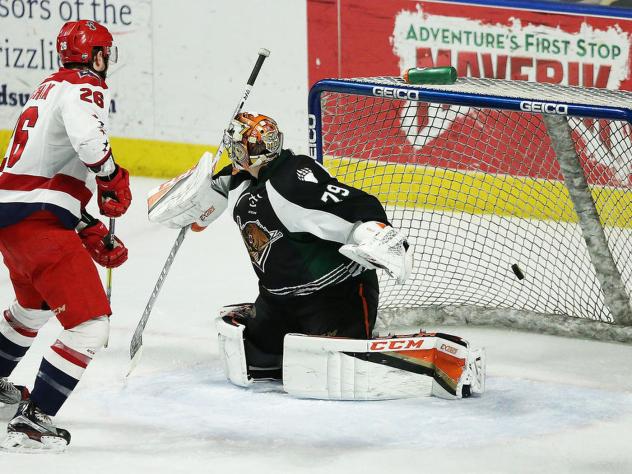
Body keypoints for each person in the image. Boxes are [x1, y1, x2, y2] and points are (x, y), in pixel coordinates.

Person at [149, 112, 413, 380]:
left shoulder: (291, 182)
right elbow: (201, 210)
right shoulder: (244, 180)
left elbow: (352, 204)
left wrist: (376, 231)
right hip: (278, 301)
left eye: (237, 148)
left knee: (335, 370)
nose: (232, 154)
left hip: (333, 296)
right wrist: (199, 196)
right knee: (254, 362)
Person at [0, 20, 131, 452]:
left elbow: (39, 172)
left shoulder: (47, 87)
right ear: (96, 55)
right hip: (37, 224)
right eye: (105, 54)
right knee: (90, 327)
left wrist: (85, 223)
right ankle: (33, 422)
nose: (106, 62)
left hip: (14, 220)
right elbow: (88, 139)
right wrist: (110, 178)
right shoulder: (86, 84)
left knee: (32, 309)